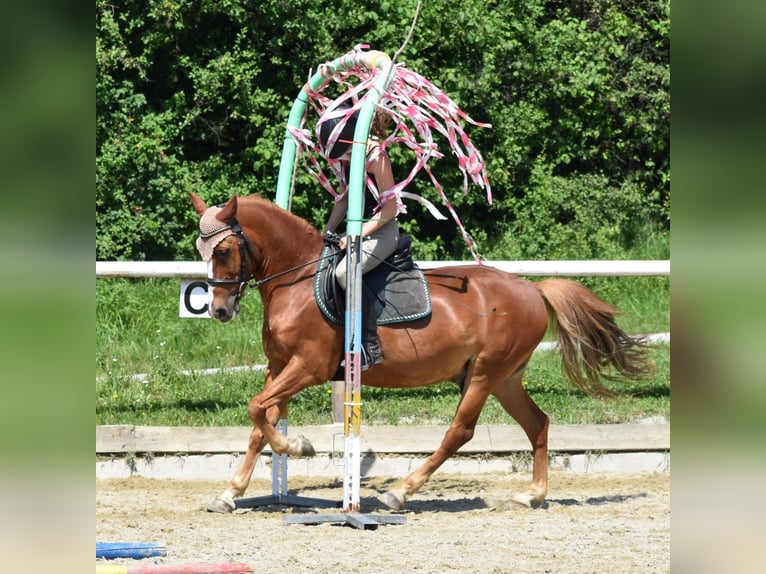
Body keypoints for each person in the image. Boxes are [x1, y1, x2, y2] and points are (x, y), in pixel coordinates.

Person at [317, 104, 403, 368]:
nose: (343, 159)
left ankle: (366, 346)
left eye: (345, 153)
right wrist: (328, 231)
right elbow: (344, 199)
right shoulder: (348, 158)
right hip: (356, 229)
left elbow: (391, 208)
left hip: (382, 230)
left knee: (344, 273)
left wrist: (356, 234)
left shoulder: (377, 157)